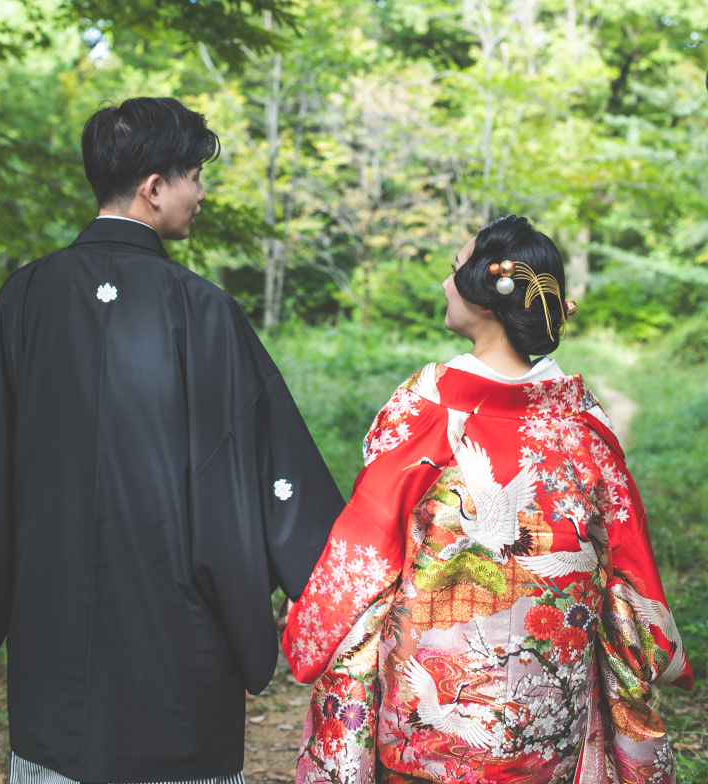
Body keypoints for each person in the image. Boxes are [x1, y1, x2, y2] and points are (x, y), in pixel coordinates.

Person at [0, 96, 344, 784]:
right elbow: (270, 461)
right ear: (154, 188)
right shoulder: (204, 310)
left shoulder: (27, 295)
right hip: (179, 623)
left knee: (60, 749)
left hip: (52, 611)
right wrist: (319, 572)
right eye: (194, 177)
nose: (200, 194)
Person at [282, 214, 692, 784]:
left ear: (487, 296)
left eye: (455, 271)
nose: (446, 284)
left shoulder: (427, 413)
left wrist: (312, 625)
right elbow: (630, 568)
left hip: (431, 721)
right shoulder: (584, 428)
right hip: (547, 714)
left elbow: (366, 550)